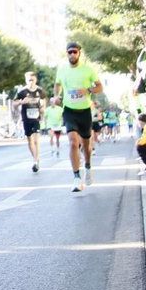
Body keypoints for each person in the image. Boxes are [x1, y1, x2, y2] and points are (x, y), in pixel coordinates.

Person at [55, 43, 102, 192]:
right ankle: (76, 177)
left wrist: (88, 90)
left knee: (86, 146)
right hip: (69, 111)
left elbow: (100, 87)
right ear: (66, 54)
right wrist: (56, 96)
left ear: (79, 53)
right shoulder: (62, 70)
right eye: (69, 52)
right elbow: (58, 85)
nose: (72, 55)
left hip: (85, 111)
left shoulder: (88, 70)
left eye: (74, 52)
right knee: (73, 142)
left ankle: (88, 166)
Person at [15, 70, 47, 171]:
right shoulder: (22, 92)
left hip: (36, 118)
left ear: (35, 80)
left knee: (36, 140)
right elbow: (14, 104)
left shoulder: (40, 91)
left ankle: (36, 161)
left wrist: (43, 107)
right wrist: (21, 102)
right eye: (29, 80)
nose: (31, 82)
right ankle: (35, 158)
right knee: (30, 141)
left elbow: (44, 99)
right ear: (26, 80)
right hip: (26, 118)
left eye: (32, 80)